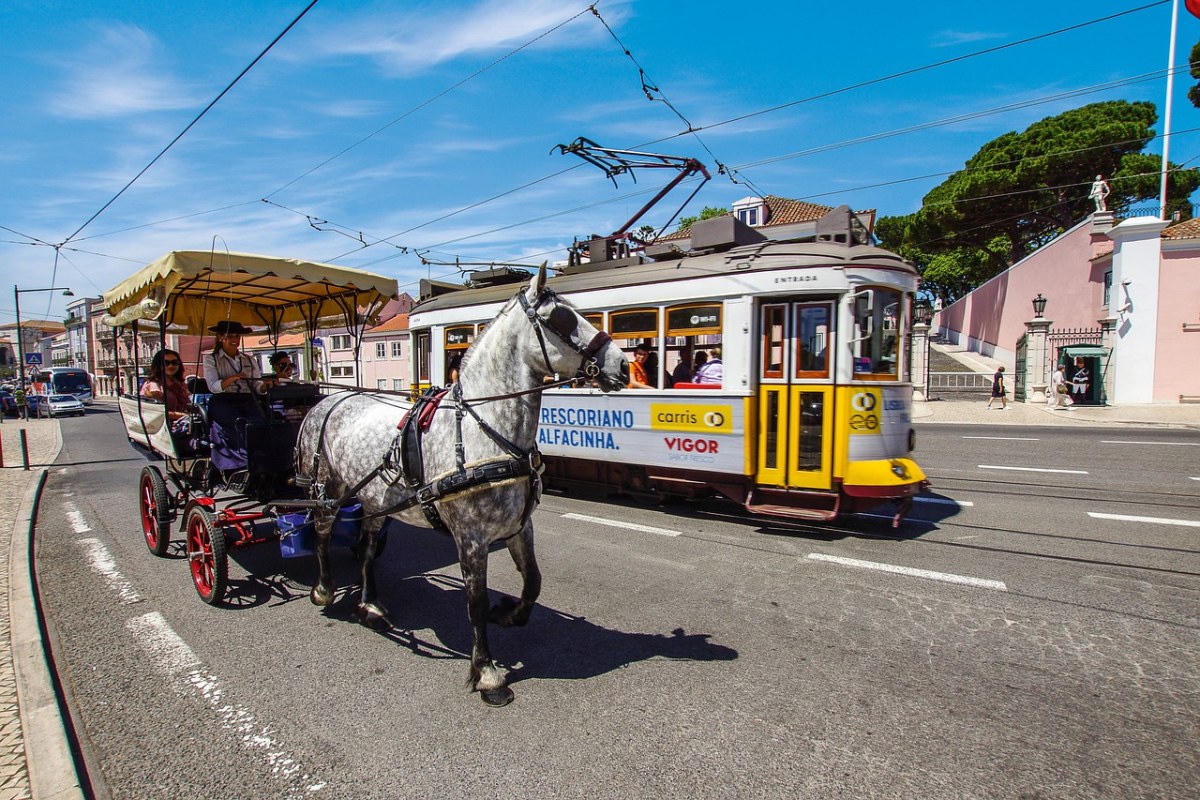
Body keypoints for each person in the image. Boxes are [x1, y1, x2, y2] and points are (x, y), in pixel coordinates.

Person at [202, 320, 270, 475]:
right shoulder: (211, 359)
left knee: (261, 421)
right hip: (223, 400)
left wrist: (265, 386)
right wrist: (232, 379)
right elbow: (213, 386)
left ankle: (262, 457)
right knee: (239, 423)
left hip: (246, 398)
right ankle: (241, 461)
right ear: (220, 337)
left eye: (237, 336)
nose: (235, 340)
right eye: (230, 336)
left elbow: (257, 385)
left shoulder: (248, 360)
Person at [141, 349, 191, 429]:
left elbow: (187, 404)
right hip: (163, 428)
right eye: (166, 363)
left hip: (183, 425)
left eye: (174, 362)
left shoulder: (180, 384)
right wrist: (185, 416)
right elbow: (159, 411)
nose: (171, 366)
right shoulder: (153, 385)